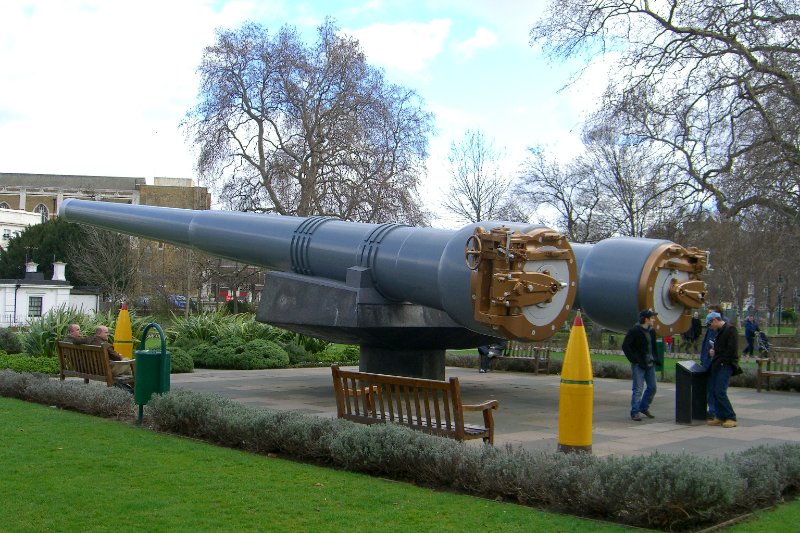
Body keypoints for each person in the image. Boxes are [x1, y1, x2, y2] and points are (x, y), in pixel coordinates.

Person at [622, 309, 658, 421]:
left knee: (652, 387)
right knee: (638, 389)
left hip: (650, 363)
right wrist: (634, 359)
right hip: (639, 364)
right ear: (646, 319)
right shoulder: (634, 331)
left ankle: (644, 407)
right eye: (652, 318)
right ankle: (635, 412)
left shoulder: (652, 332)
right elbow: (625, 346)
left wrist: (655, 358)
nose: (653, 320)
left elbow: (653, 347)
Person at [706, 312, 739, 428]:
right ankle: (720, 416)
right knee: (715, 391)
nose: (710, 327)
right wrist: (712, 352)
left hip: (725, 365)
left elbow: (732, 350)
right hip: (717, 364)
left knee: (720, 391)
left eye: (710, 324)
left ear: (715, 320)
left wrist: (718, 354)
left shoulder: (730, 330)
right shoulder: (719, 332)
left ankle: (731, 416)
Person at [699, 305, 725, 421]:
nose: (708, 317)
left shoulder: (720, 329)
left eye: (710, 314)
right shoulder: (710, 328)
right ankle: (712, 410)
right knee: (709, 387)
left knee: (714, 387)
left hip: (714, 361)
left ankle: (714, 410)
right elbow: (705, 345)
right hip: (707, 360)